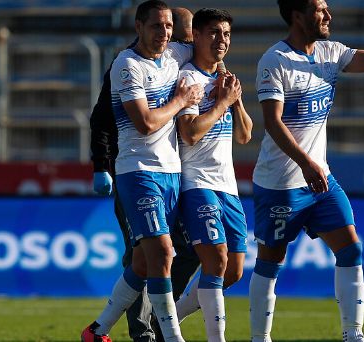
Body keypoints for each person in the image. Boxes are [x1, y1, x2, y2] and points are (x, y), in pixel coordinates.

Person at [249, 1, 364, 341]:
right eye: (319, 10)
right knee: (270, 261)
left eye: (327, 9)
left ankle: (353, 333)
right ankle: (259, 338)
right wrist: (305, 162)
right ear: (297, 15)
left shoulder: (331, 52)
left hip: (320, 179)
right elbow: (272, 122)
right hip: (281, 183)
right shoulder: (275, 60)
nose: (328, 16)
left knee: (351, 248)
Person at [82, 1, 204, 341]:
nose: (165, 34)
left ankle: (97, 330)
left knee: (143, 261)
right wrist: (99, 165)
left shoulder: (173, 56)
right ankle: (159, 334)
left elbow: (209, 45)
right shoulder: (126, 64)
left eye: (169, 28)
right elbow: (144, 123)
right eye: (157, 26)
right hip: (136, 172)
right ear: (138, 27)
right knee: (160, 252)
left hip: (172, 174)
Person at [173, 8, 252, 342]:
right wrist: (220, 103)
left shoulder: (224, 80)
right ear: (197, 36)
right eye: (215, 33)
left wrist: (234, 101)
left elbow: (245, 135)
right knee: (217, 260)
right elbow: (189, 133)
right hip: (197, 184)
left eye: (227, 34)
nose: (222, 41)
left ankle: (169, 320)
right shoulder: (188, 79)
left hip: (228, 187)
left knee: (232, 271)